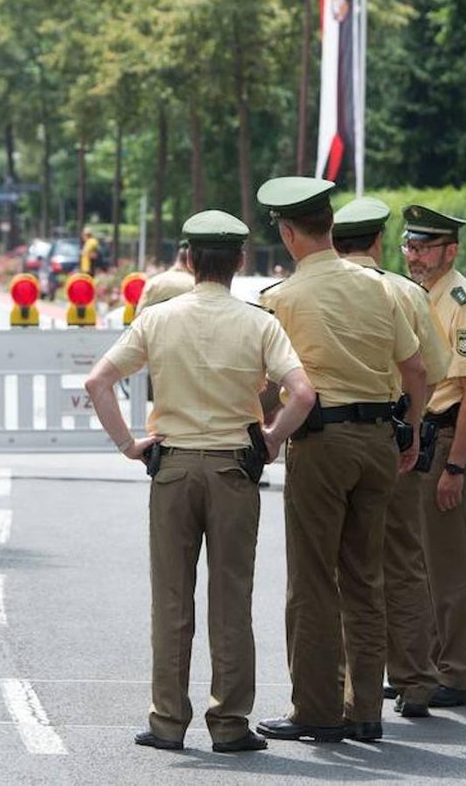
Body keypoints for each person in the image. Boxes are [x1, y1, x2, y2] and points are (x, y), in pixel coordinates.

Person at [84, 209, 316, 754]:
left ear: (188, 260)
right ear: (239, 261)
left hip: (173, 466)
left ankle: (168, 721)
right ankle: (230, 724)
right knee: (231, 598)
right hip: (234, 468)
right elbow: (303, 393)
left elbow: (99, 381)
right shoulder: (259, 321)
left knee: (171, 599)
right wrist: (273, 437)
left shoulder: (159, 318)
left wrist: (128, 445)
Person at [254, 177, 427, 745]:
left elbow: (258, 382)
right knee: (363, 576)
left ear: (286, 232)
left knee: (311, 580)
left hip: (321, 445)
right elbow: (417, 372)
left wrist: (261, 432)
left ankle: (316, 710)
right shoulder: (380, 289)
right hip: (379, 439)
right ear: (331, 227)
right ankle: (365, 711)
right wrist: (413, 429)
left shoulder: (281, 298)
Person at [331, 197, 451, 719]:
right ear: (379, 241)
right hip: (394, 434)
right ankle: (416, 679)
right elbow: (435, 368)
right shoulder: (406, 292)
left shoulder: (318, 289)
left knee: (339, 564)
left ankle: (344, 685)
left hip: (330, 438)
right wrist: (417, 428)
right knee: (402, 558)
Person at [400, 204, 466, 708]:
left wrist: (456, 468)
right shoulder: (418, 295)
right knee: (418, 558)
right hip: (423, 437)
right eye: (409, 246)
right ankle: (428, 662)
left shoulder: (465, 303)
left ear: (450, 251)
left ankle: (455, 674)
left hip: (446, 439)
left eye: (423, 247)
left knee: (450, 562)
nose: (413, 256)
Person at [134, 241, 195, 315]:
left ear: (177, 258)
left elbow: (139, 316)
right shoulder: (194, 284)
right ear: (190, 261)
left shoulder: (154, 282)